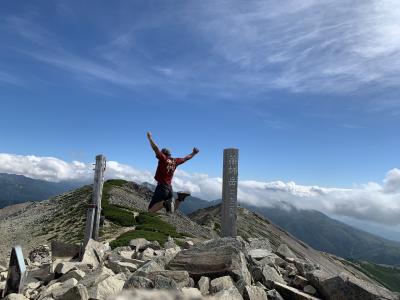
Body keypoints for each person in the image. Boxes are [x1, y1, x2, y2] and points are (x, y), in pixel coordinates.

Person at [147, 132, 199, 213]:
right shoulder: (175, 161)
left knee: (150, 210)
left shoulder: (163, 158)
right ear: (170, 154)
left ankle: (165, 203)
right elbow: (186, 158)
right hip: (169, 187)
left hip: (161, 188)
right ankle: (180, 198)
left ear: (163, 154)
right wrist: (193, 153)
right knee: (171, 210)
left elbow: (155, 148)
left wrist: (150, 138)